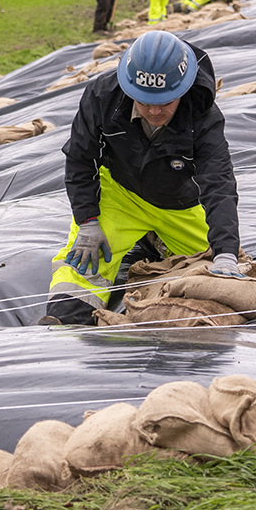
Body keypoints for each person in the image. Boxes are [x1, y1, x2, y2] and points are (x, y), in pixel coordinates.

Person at [40, 31, 242, 325]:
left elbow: (218, 182)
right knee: (84, 261)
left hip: (178, 204)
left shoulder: (204, 116)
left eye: (166, 101)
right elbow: (80, 160)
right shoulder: (102, 96)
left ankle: (156, 239)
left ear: (184, 90)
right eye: (144, 101)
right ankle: (65, 323)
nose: (155, 110)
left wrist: (225, 252)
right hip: (120, 196)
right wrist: (88, 221)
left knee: (215, 270)